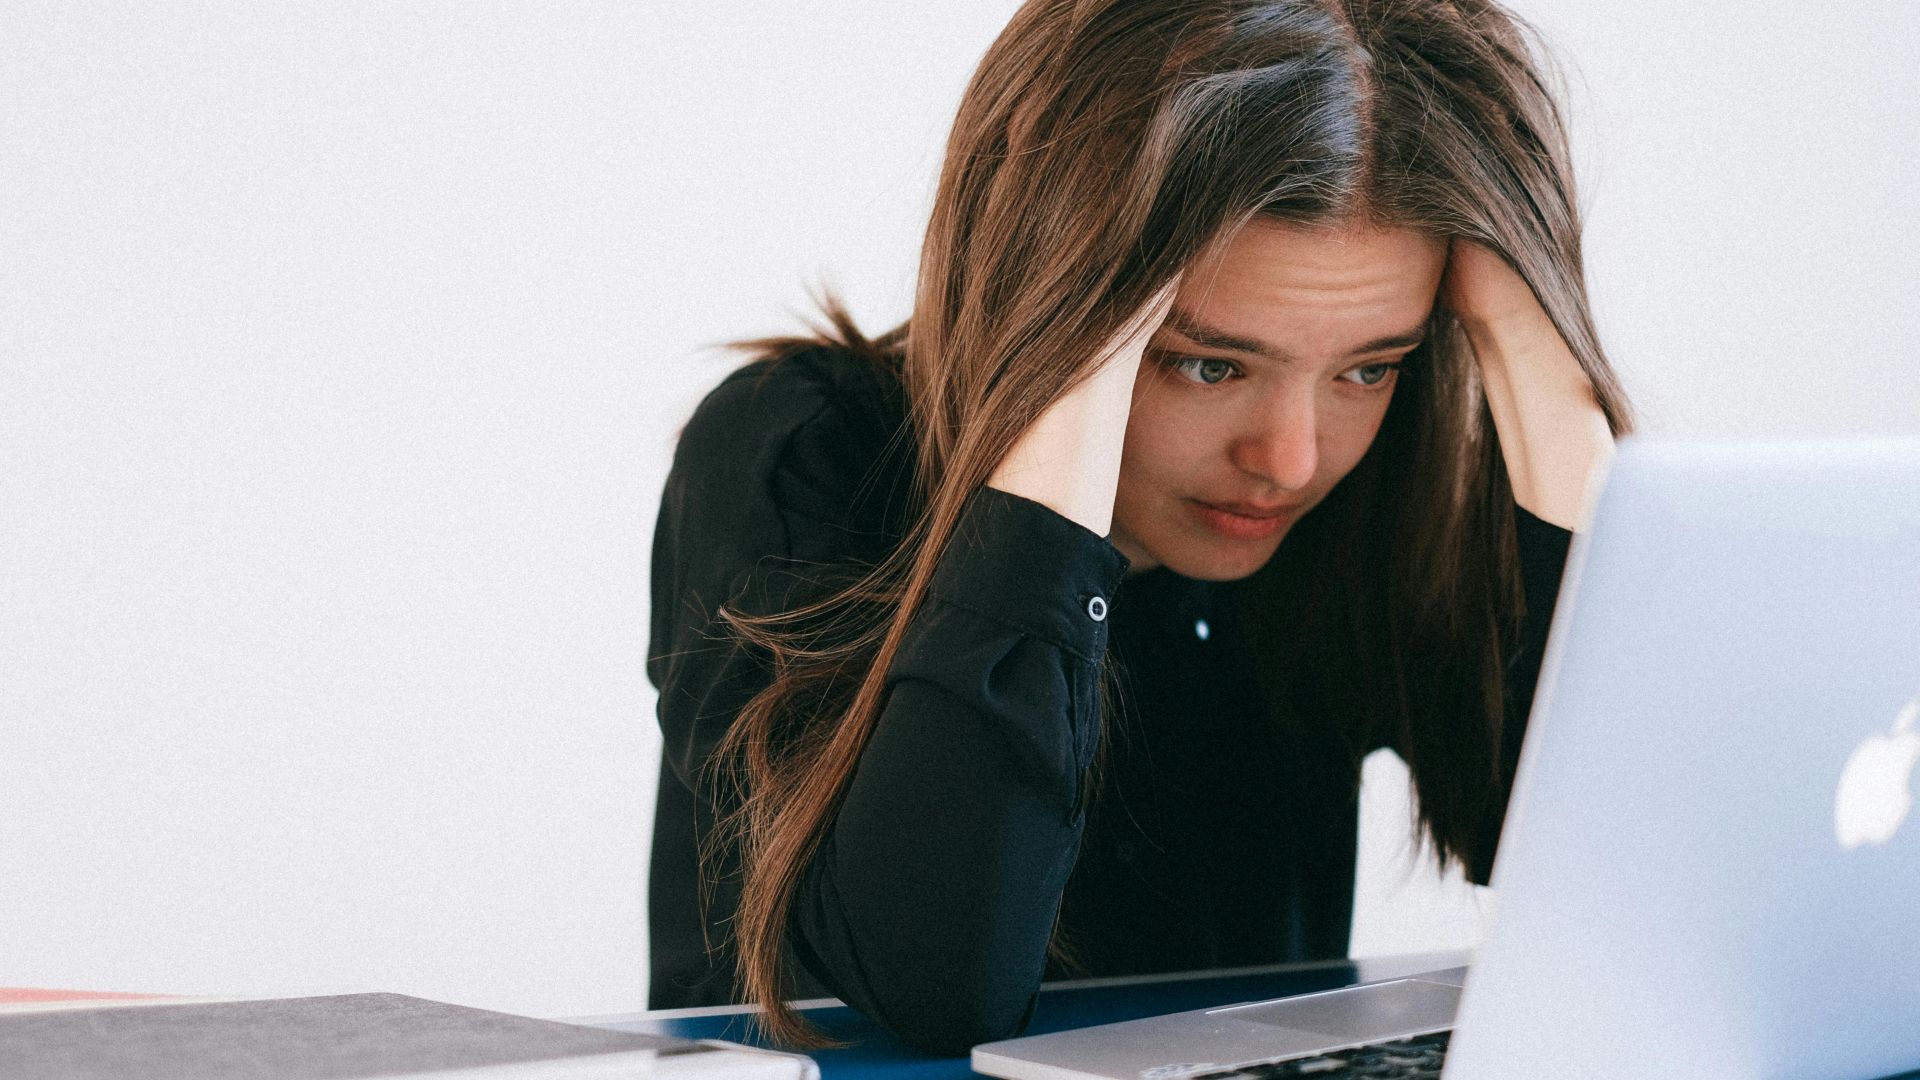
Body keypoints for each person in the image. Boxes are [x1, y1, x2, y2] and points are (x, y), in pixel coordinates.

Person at [647, 0, 1632, 1056]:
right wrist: (1063, 385)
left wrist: (1543, 354)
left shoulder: (1370, 490)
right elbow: (935, 985)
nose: (1291, 460)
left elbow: (1628, 902)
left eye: (1367, 367)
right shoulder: (799, 452)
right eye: (1207, 363)